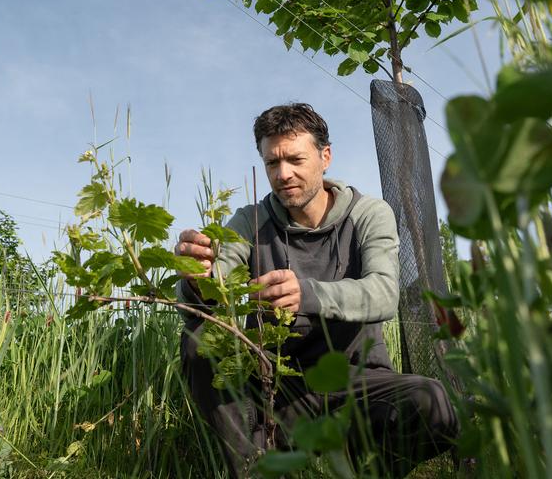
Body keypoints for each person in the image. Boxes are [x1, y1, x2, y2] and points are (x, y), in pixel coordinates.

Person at [174, 103, 458, 477]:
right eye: (272, 163)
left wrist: (307, 295)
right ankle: (253, 469)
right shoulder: (249, 221)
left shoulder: (368, 214)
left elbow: (385, 292)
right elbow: (213, 291)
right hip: (276, 385)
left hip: (357, 379)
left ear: (325, 157)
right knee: (201, 336)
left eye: (295, 159)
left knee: (432, 400)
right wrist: (198, 274)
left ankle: (371, 470)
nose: (283, 174)